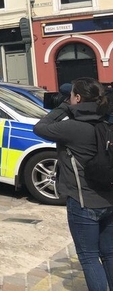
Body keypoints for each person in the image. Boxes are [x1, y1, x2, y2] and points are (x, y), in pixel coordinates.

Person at [34, 78, 113, 291]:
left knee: (88, 257)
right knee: (109, 253)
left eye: (71, 96)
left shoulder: (72, 128)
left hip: (83, 202)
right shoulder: (107, 124)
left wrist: (64, 107)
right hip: (109, 200)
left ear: (77, 98)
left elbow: (40, 127)